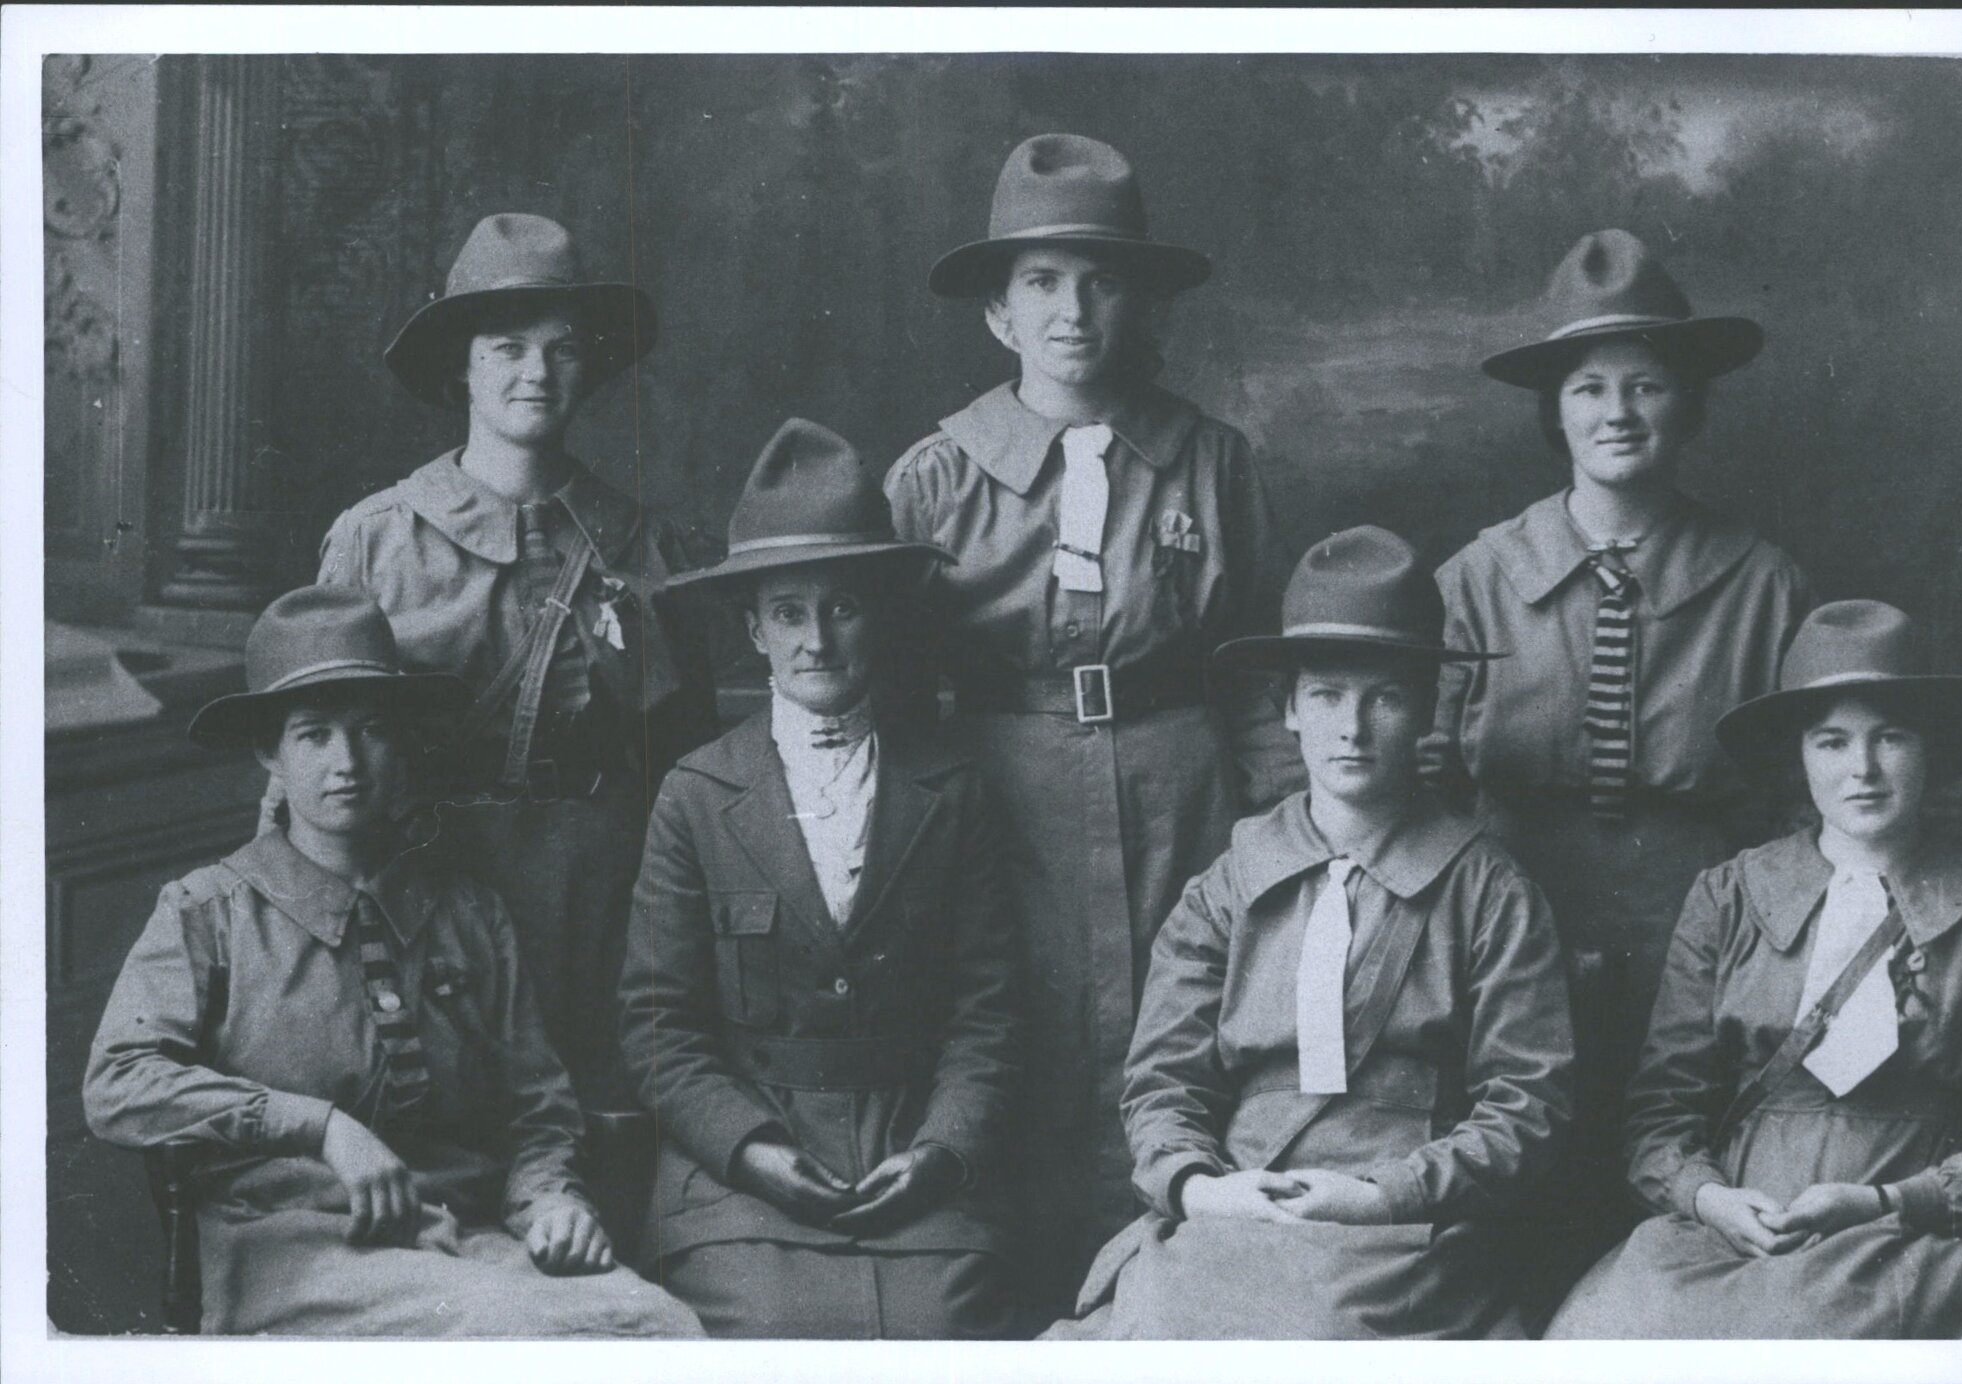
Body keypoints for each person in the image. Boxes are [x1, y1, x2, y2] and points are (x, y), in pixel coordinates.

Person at [885, 132, 1303, 1317]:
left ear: (1141, 301)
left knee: (1179, 1028)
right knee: (1011, 1033)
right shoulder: (934, 479)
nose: (1071, 311)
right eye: (1041, 281)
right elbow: (895, 692)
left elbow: (1257, 673)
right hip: (996, 791)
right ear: (998, 312)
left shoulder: (1211, 464)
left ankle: (1153, 1305)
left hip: (1181, 784)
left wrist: (1281, 833)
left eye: (1101, 279)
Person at [82, 587, 704, 1337]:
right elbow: (118, 1083)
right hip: (295, 1244)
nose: (346, 762)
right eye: (314, 736)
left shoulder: (467, 912)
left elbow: (535, 1106)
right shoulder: (208, 912)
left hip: (467, 1235)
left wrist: (550, 1200)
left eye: (371, 730)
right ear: (270, 754)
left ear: (402, 742)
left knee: (660, 1325)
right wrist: (321, 1128)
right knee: (526, 1337)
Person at [1045, 528, 1573, 1339]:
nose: (1351, 728)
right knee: (1153, 1328)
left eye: (1384, 697)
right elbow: (1162, 1083)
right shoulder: (1227, 886)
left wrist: (1383, 1195)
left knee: (1319, 1331)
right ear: (1288, 709)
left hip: (1404, 1227)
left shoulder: (1488, 890)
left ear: (1426, 710)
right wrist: (1200, 1188)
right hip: (1239, 1204)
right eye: (1325, 696)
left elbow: (1525, 1105)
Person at [1428, 229, 1814, 1286]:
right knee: (1519, 1182)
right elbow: (1425, 782)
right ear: (1552, 410)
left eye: (1646, 385)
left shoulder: (1761, 582)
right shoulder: (1477, 578)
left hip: (1701, 914)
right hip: (1513, 912)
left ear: (1687, 404)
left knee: (1677, 1170)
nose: (1617, 413)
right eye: (1588, 388)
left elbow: (1800, 802)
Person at [620, 420, 1020, 1338]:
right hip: (738, 1174)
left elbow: (988, 1013)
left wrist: (943, 1149)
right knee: (764, 1326)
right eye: (789, 613)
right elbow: (657, 1026)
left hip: (911, 1154)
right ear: (753, 630)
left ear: (880, 617)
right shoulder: (697, 794)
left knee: (941, 1327)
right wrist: (749, 1149)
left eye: (842, 608)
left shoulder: (950, 787)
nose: (817, 641)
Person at [308, 213, 717, 1108]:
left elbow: (694, 764)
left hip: (608, 896)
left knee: (601, 1123)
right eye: (506, 348)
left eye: (563, 349)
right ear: (460, 365)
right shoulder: (377, 539)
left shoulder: (646, 542)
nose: (537, 373)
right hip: (430, 889)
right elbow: (306, 758)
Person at [1547, 600, 1962, 1337]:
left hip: (1914, 1236)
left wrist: (1885, 1202)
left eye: (1890, 737)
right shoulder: (1728, 896)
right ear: (1799, 756)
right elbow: (1661, 1113)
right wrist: (1708, 1200)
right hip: (1737, 1233)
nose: (1862, 769)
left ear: (1930, 748)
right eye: (1831, 741)